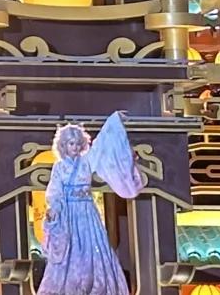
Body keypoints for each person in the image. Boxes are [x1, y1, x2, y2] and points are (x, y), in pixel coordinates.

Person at [37, 111, 146, 295]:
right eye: (70, 143)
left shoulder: (87, 161)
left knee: (93, 248)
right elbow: (55, 190)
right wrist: (54, 208)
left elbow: (102, 145)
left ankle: (95, 285)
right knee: (70, 252)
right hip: (68, 212)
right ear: (63, 145)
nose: (74, 147)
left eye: (77, 143)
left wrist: (114, 120)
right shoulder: (59, 166)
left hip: (87, 211)